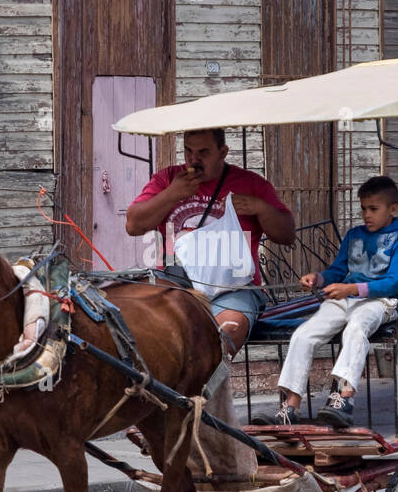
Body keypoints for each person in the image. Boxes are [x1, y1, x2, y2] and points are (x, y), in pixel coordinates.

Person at [251, 175, 398, 429]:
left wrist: (353, 288)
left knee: (356, 329)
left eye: (374, 209)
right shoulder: (355, 235)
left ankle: (343, 399)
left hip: (380, 302)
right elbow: (337, 270)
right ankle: (290, 406)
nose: (367, 214)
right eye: (364, 208)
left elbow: (395, 282)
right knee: (303, 334)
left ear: (393, 209)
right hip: (345, 299)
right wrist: (319, 278)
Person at [126, 127, 295, 352]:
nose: (193, 160)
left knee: (228, 329)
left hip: (233, 287)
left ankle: (203, 384)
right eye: (188, 152)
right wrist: (171, 194)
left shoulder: (252, 184)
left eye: (203, 153)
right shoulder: (167, 179)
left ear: (223, 152)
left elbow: (287, 234)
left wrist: (261, 208)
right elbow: (133, 225)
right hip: (176, 282)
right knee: (138, 328)